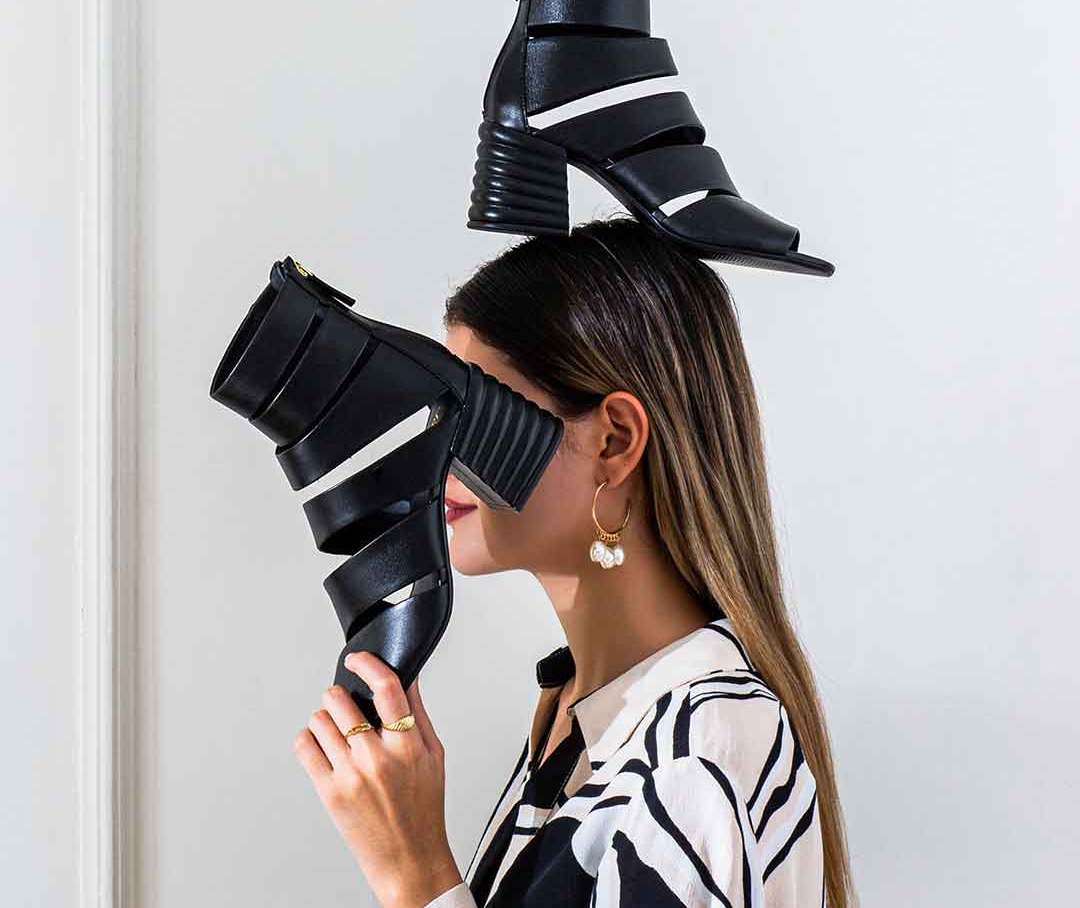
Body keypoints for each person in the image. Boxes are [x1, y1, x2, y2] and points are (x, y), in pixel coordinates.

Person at [293, 217, 857, 907]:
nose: (437, 457)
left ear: (613, 441)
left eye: (470, 416)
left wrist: (413, 871)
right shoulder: (580, 717)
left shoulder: (696, 752)